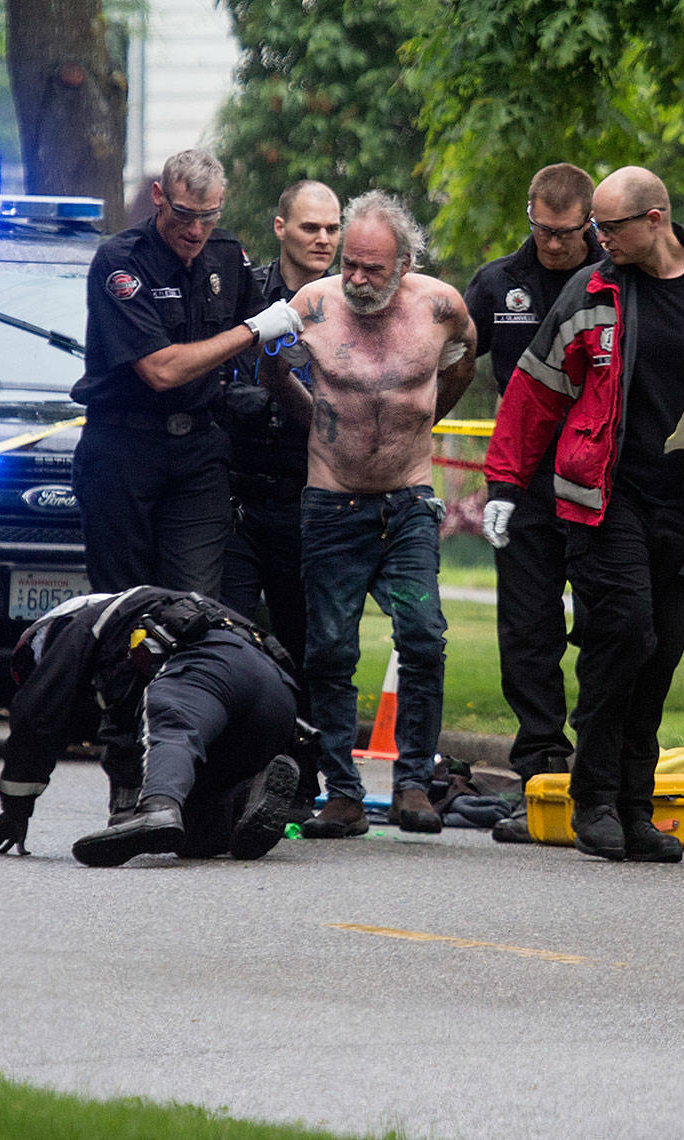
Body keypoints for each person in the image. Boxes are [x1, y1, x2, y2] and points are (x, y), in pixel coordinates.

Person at [482, 166, 684, 863]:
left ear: (655, 219)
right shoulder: (590, 289)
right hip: (606, 498)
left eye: (609, 226)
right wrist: (503, 484)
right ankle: (592, 799)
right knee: (621, 633)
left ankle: (634, 807)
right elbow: (535, 394)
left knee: (659, 656)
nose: (597, 238)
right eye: (594, 225)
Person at [259, 191, 477, 838]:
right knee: (328, 648)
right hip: (332, 500)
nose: (355, 277)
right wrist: (316, 420)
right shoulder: (313, 306)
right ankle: (343, 794)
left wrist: (424, 422)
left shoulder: (441, 307)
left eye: (372, 268)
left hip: (407, 501)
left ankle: (413, 784)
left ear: (404, 263)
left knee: (422, 634)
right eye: (350, 263)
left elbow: (463, 365)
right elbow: (272, 374)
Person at [72, 148, 302, 602]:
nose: (196, 230)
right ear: (159, 197)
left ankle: (186, 674)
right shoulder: (121, 262)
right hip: (123, 451)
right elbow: (161, 370)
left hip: (197, 452)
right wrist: (252, 331)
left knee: (193, 604)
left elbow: (266, 352)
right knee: (125, 607)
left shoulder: (226, 255)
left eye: (209, 215)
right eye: (184, 214)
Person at [461, 163, 603, 838]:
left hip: (605, 486)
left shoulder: (617, 281)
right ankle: (543, 768)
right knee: (527, 632)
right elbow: (453, 358)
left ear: (591, 225)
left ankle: (605, 767)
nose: (551, 245)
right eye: (541, 231)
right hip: (525, 486)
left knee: (612, 627)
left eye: (565, 234)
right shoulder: (497, 284)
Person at [0, 587, 303, 867]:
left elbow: (36, 715)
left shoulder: (81, 625)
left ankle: (159, 807)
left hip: (209, 674)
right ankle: (243, 805)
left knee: (170, 719)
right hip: (277, 700)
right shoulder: (149, 618)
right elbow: (126, 740)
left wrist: (16, 807)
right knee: (189, 835)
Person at [225, 179, 342, 818]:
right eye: (308, 228)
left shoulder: (350, 301)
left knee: (310, 646)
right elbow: (212, 370)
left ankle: (299, 783)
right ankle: (236, 775)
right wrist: (243, 399)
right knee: (237, 640)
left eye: (331, 229)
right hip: (241, 494)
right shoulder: (244, 292)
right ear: (280, 227)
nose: (322, 239)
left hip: (314, 496)